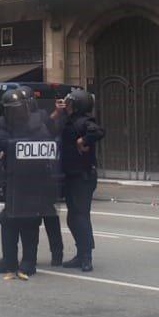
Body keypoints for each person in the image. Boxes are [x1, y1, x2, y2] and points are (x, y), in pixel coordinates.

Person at [0, 88, 61, 278]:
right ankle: (9, 260)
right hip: (14, 179)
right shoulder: (3, 123)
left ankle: (29, 261)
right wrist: (4, 150)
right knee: (8, 219)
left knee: (30, 220)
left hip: (36, 179)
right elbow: (0, 142)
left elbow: (49, 139)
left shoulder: (39, 119)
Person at [55, 90, 104, 272]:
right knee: (72, 218)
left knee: (80, 216)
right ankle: (80, 253)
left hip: (83, 177)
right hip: (71, 176)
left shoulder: (83, 121)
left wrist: (82, 140)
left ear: (77, 105)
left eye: (70, 103)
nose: (67, 105)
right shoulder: (68, 121)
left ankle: (86, 257)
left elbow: (98, 131)